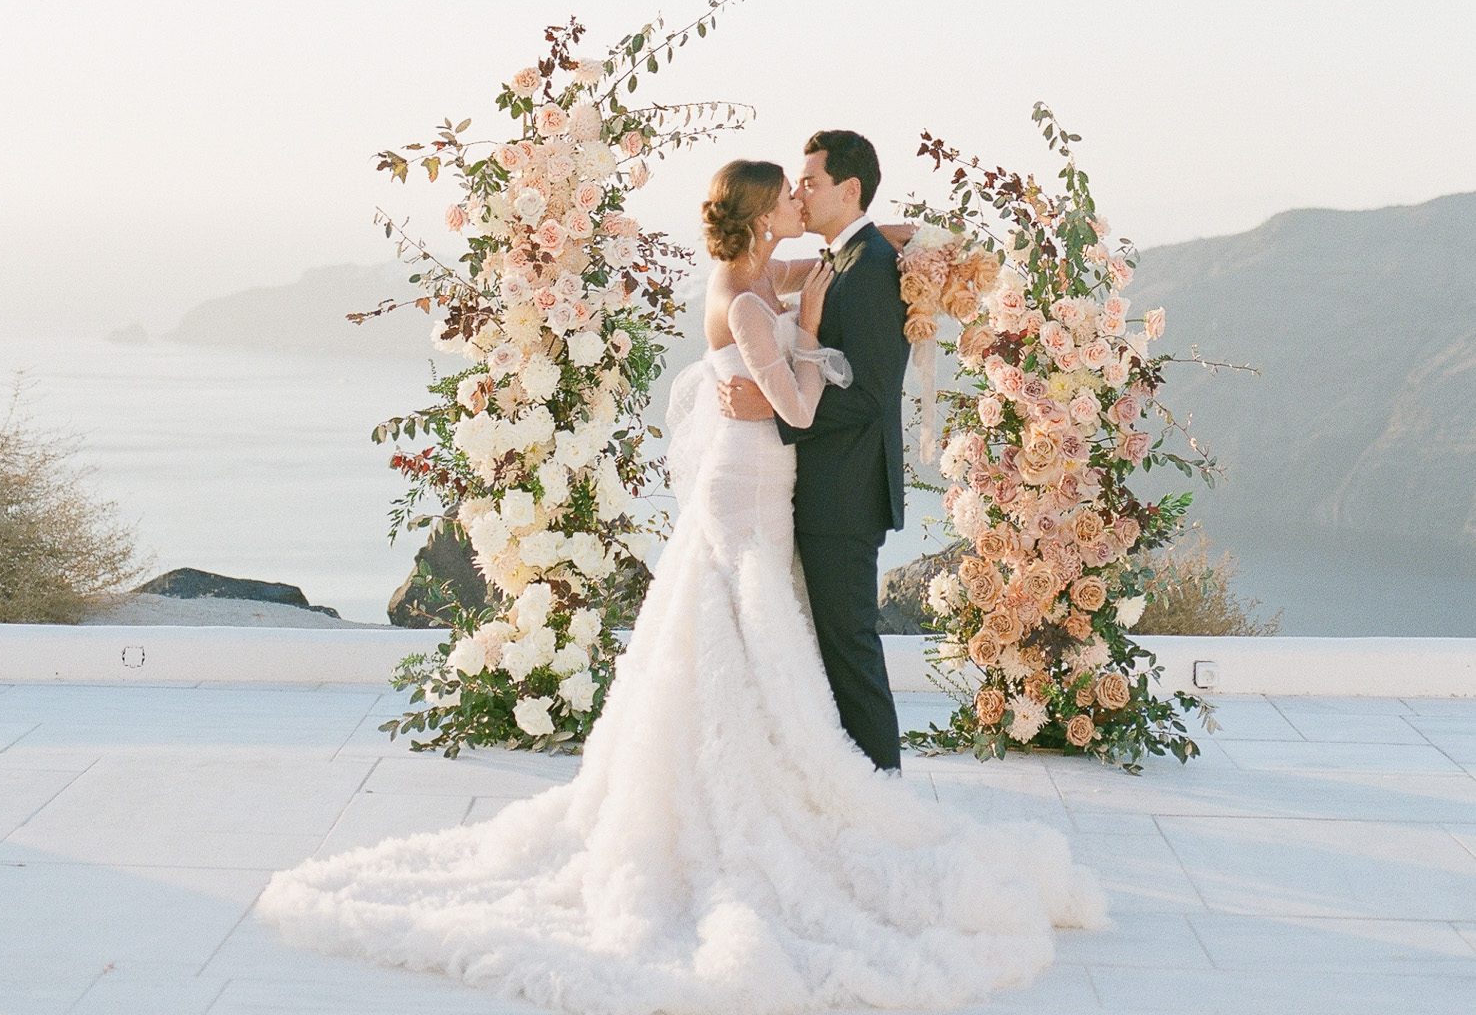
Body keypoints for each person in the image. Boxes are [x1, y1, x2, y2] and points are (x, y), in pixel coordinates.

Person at [254, 157, 1107, 1013]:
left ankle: (796, 781)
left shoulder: (754, 269)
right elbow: (802, 405)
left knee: (748, 627)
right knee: (749, 622)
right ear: (758, 211)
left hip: (755, 476)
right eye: (785, 194)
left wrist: (894, 246)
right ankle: (771, 800)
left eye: (805, 186)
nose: (795, 200)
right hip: (753, 479)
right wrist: (809, 331)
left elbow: (831, 258)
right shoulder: (745, 295)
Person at [717, 128, 910, 771]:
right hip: (812, 486)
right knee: (822, 646)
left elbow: (873, 395)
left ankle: (882, 784)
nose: (801, 192)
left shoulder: (872, 269)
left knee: (848, 646)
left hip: (845, 491)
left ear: (849, 190)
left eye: (812, 181)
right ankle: (844, 778)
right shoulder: (844, 259)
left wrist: (774, 410)